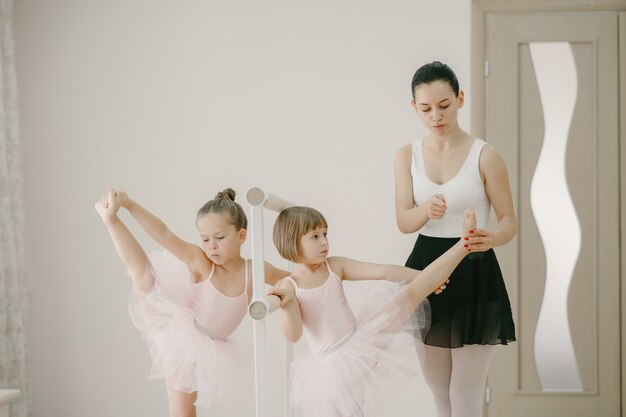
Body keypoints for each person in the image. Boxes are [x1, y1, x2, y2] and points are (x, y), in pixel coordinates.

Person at [94, 188, 289, 417]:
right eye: (205, 239)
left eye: (220, 238)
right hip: (178, 332)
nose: (212, 246)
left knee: (188, 409)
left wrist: (282, 294)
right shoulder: (202, 262)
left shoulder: (254, 270)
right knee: (143, 276)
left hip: (214, 345)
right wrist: (129, 204)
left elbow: (287, 279)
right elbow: (163, 234)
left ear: (241, 236)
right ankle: (111, 220)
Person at [268, 205, 476, 417]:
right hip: (331, 369)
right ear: (293, 241)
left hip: (361, 343)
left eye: (325, 234)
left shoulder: (333, 266)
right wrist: (287, 305)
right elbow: (293, 335)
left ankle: (464, 245)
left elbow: (383, 271)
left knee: (409, 295)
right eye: (315, 236)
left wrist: (418, 277)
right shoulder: (290, 285)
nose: (324, 241)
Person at [394, 61, 517, 417]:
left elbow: (509, 220)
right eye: (426, 108)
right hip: (426, 270)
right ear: (414, 108)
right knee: (439, 393)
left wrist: (491, 236)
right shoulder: (406, 155)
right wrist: (425, 211)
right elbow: (404, 220)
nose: (436, 115)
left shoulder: (486, 155)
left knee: (465, 396)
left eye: (444, 105)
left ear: (460, 99)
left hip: (474, 268)